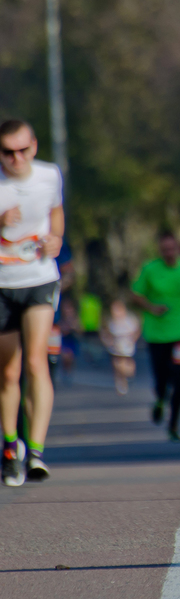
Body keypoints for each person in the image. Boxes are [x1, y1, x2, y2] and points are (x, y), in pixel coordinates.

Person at [0, 120, 64, 487]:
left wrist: (56, 237)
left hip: (39, 278)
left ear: (34, 147)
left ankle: (36, 450)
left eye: (23, 150)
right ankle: (11, 447)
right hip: (3, 284)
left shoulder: (49, 176)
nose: (17, 159)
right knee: (10, 371)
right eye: (8, 152)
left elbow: (55, 213)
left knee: (37, 361)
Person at [129, 230, 180, 442]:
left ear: (177, 248)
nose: (169, 253)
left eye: (172, 249)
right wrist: (151, 306)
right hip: (157, 333)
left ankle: (174, 425)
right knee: (161, 379)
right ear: (160, 250)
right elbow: (135, 295)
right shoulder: (150, 270)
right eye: (165, 250)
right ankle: (159, 400)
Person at [101, 298, 141, 395]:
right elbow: (106, 332)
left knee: (126, 364)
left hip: (127, 346)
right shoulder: (111, 321)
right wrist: (107, 341)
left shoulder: (130, 320)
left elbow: (137, 331)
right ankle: (120, 383)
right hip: (116, 347)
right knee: (117, 364)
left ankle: (129, 376)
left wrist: (133, 338)